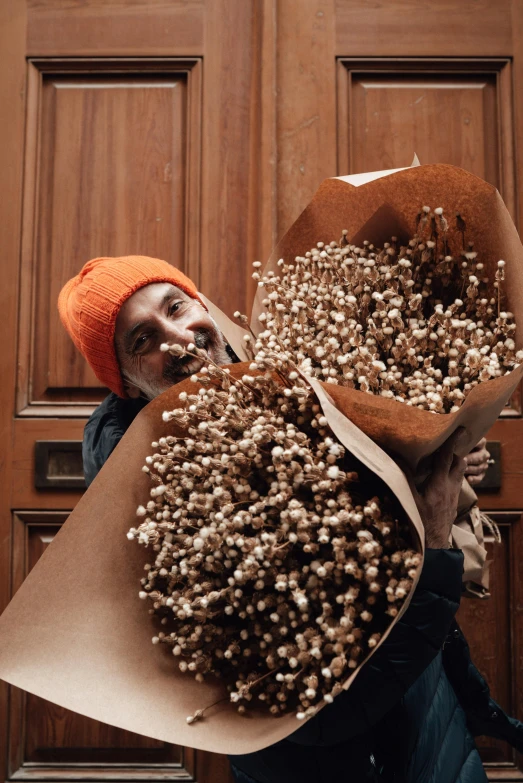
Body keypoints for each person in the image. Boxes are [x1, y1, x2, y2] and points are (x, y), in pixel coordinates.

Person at [59, 255, 522, 782]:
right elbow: (329, 713)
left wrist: (446, 454)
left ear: (203, 305)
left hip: (428, 726)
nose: (178, 338)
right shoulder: (153, 504)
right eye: (142, 340)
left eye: (177, 307)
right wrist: (436, 537)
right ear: (123, 379)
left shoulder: (282, 376)